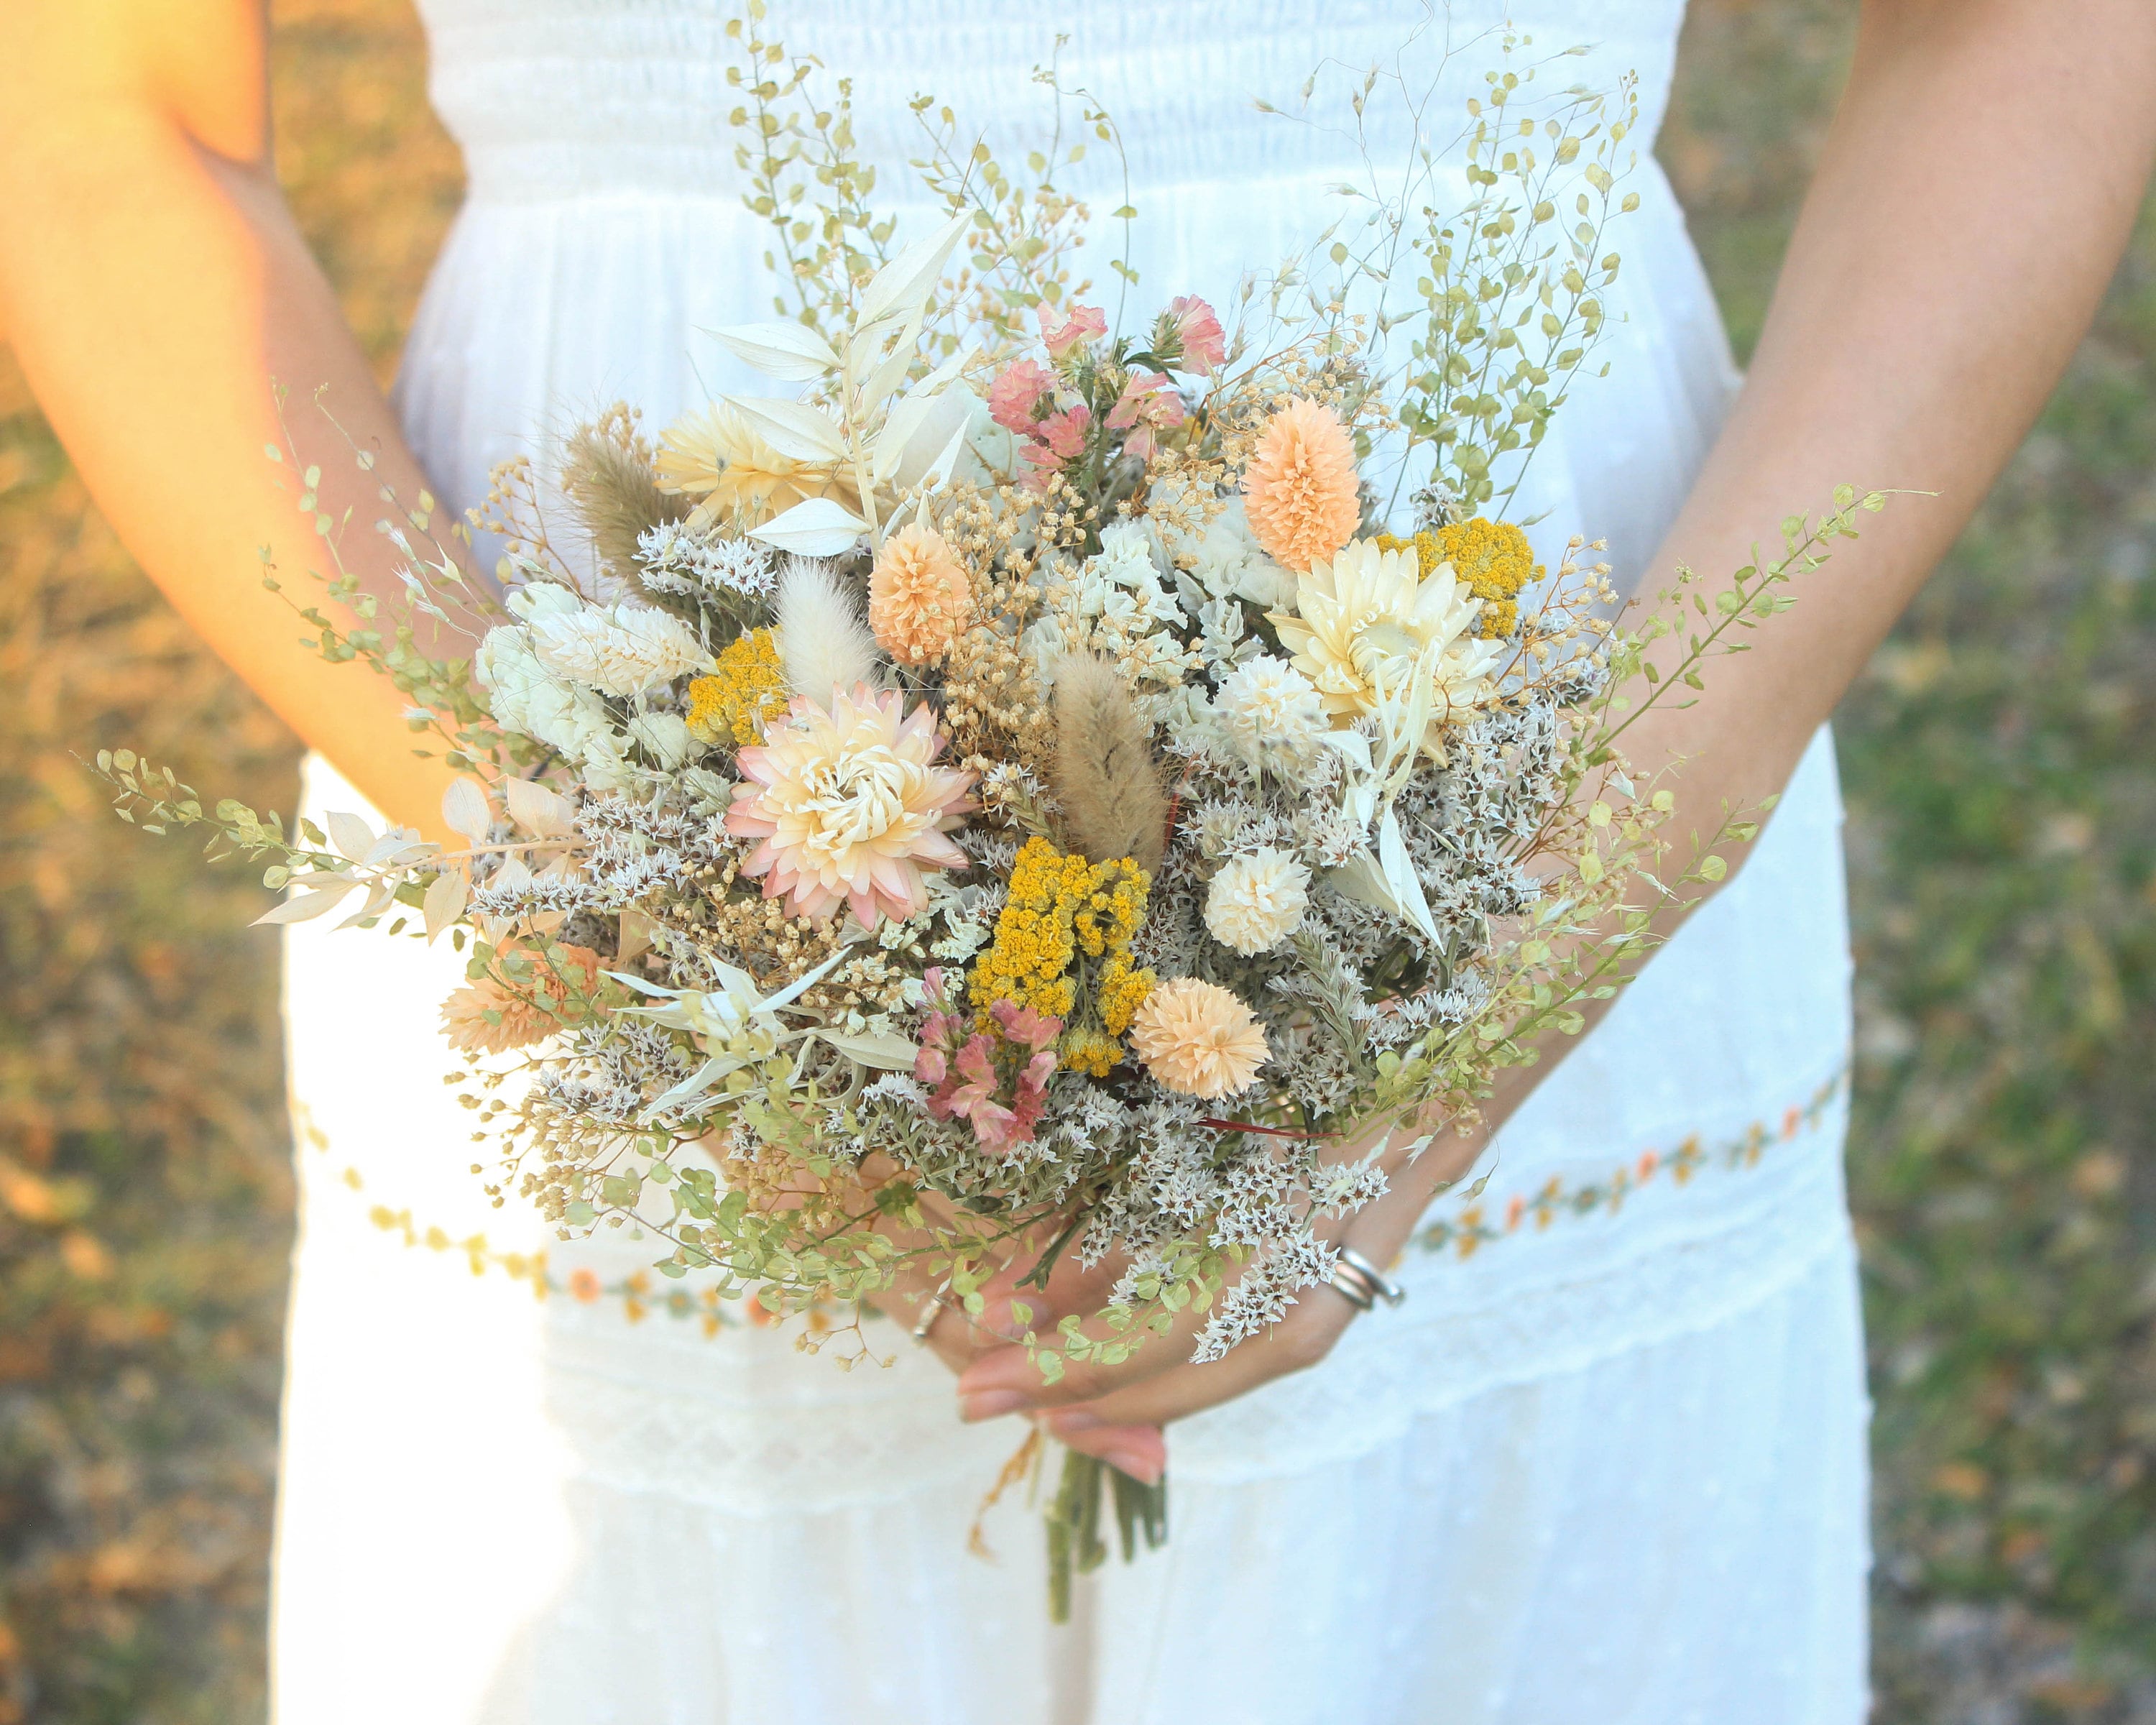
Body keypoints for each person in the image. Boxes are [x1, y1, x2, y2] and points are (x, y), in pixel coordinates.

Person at [3, 1, 2152, 1719]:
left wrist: (1571, 900)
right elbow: (100, 110)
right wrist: (617, 906)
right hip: (616, 734)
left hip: (1530, 737)